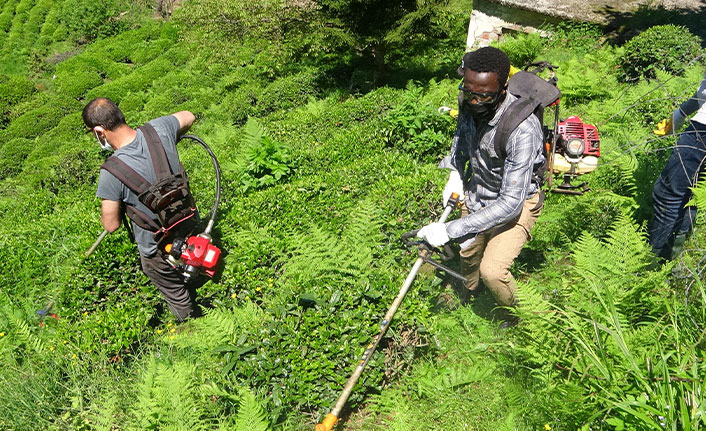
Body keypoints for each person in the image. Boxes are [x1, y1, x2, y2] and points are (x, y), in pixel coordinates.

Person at [416, 47, 545, 322]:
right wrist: (455, 174)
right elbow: (459, 147)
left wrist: (451, 228)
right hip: (479, 193)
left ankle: (518, 318)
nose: (475, 101)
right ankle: (470, 292)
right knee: (468, 251)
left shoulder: (522, 129)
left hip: (518, 202)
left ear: (503, 88)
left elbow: (511, 203)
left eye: (484, 95)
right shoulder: (468, 102)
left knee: (493, 271)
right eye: (469, 92)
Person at [82, 97, 199, 321]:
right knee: (198, 262)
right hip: (189, 221)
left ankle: (191, 324)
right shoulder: (159, 129)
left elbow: (111, 224)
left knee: (176, 293)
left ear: (99, 131)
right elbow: (189, 116)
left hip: (156, 247)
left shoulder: (111, 172)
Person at [650, 73, 706, 260]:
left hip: (702, 132)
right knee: (693, 193)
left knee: (668, 194)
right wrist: (679, 114)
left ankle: (651, 264)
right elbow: (703, 94)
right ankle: (676, 265)